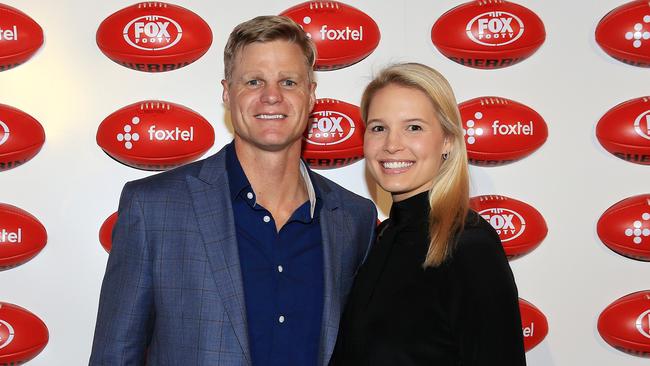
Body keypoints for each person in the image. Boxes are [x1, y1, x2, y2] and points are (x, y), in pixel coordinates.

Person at [89, 16, 377, 366]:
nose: (271, 96)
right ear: (227, 92)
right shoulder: (154, 208)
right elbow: (114, 357)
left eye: (288, 81)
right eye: (253, 81)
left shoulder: (353, 219)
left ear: (311, 94)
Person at [330, 63, 526, 365]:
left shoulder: (469, 247)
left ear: (447, 140)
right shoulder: (382, 239)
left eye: (414, 127)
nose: (392, 145)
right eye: (379, 128)